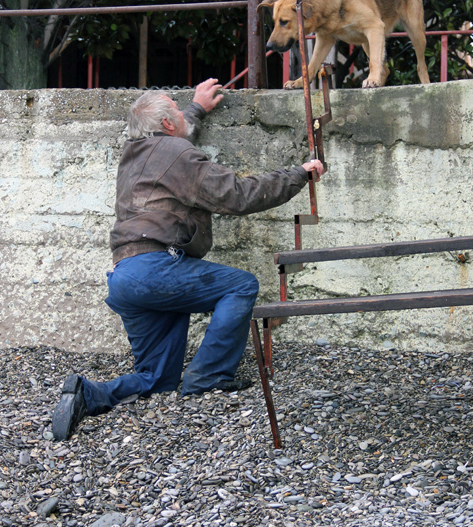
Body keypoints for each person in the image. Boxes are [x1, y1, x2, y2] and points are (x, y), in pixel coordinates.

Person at [52, 78, 325, 441]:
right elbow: (238, 194)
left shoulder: (134, 155)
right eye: (177, 110)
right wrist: (298, 175)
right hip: (157, 270)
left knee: (157, 380)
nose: (182, 113)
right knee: (241, 286)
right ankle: (208, 378)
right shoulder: (174, 154)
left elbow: (177, 145)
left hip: (124, 276)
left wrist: (196, 108)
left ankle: (88, 394)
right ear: (166, 125)